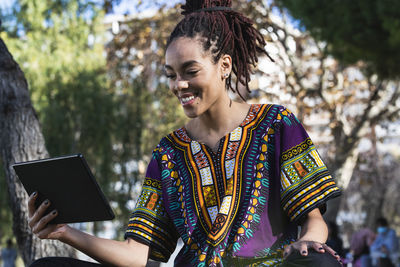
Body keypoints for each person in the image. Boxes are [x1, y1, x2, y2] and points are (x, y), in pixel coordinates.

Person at [28, 0, 342, 266]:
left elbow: (313, 219)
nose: (179, 84)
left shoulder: (277, 123)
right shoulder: (168, 152)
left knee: (320, 261)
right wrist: (65, 232)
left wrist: (307, 244)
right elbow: (139, 254)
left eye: (190, 71)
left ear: (224, 65)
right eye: (171, 75)